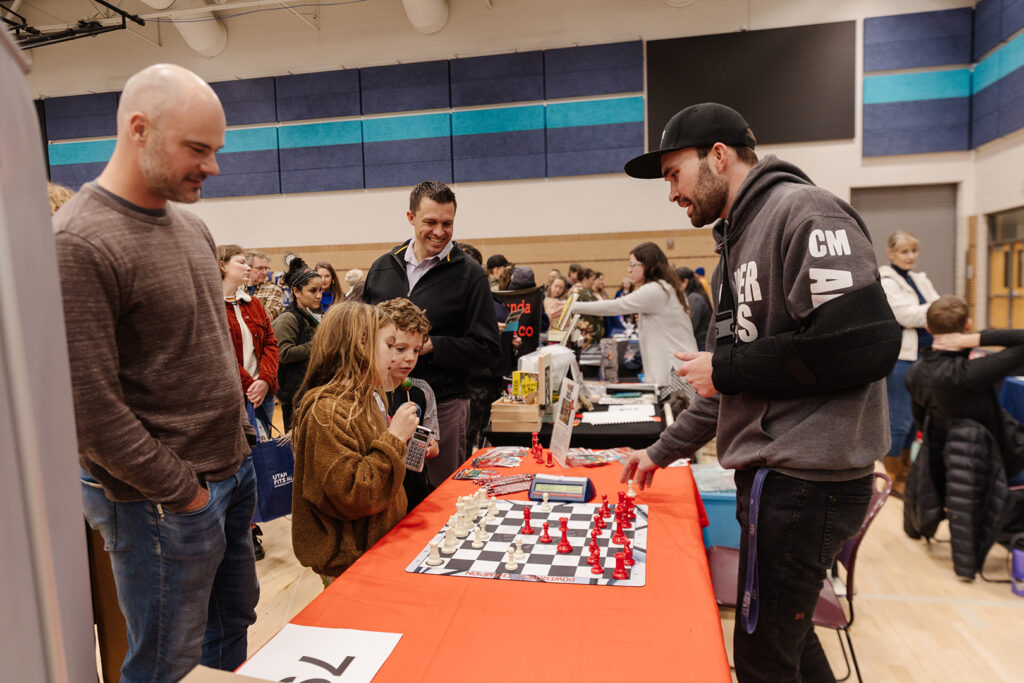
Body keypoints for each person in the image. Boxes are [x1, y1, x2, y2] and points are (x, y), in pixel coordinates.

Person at [618, 102, 900, 682]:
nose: (671, 193)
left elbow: (862, 346)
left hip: (807, 483)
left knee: (761, 660)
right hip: (781, 481)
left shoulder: (805, 211)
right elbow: (731, 386)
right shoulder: (733, 246)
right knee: (787, 643)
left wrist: (728, 368)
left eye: (674, 174)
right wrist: (659, 452)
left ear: (718, 156)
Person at [55, 64, 259, 682]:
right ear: (139, 130)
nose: (213, 167)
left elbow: (208, 350)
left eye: (215, 150)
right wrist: (182, 491)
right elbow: (90, 410)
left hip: (230, 472)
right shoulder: (79, 242)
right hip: (162, 501)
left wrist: (238, 447)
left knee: (230, 627)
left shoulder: (192, 226)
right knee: (165, 662)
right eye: (197, 149)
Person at [362, 180, 500, 488]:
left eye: (447, 223)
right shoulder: (382, 267)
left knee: (441, 492)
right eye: (430, 222)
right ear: (410, 218)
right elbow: (363, 332)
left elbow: (488, 349)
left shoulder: (470, 275)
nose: (439, 232)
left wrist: (431, 346)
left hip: (445, 404)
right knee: (385, 487)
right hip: (380, 403)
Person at [290, 302, 418, 583]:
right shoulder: (327, 412)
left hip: (377, 550)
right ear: (362, 343)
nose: (395, 357)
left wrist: (400, 444)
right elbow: (353, 494)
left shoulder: (366, 399)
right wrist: (394, 438)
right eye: (389, 345)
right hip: (349, 564)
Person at [906, 295, 1024, 486]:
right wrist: (973, 339)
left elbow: (922, 423)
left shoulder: (914, 373)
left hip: (948, 466)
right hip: (1000, 463)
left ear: (928, 328)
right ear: (967, 325)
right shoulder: (972, 372)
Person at [219, 244, 280, 561]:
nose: (248, 267)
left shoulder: (252, 303)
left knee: (259, 461)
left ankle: (257, 520)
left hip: (261, 394)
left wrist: (265, 380)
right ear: (222, 265)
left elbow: (271, 343)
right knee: (238, 466)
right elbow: (219, 353)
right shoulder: (211, 306)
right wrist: (249, 385)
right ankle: (244, 529)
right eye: (241, 262)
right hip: (233, 396)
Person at [571, 242, 697, 387]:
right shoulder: (666, 287)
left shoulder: (654, 289)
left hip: (673, 373)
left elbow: (616, 306)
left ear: (647, 265)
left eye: (632, 264)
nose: (629, 270)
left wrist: (573, 307)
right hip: (679, 369)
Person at [879, 231, 940, 496]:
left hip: (928, 355)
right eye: (904, 251)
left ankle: (906, 472)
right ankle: (892, 477)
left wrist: (934, 311)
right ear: (890, 254)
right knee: (900, 419)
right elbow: (906, 315)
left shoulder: (919, 279)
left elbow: (932, 311)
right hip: (903, 358)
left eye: (914, 251)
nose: (911, 256)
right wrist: (937, 310)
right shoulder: (885, 280)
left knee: (916, 419)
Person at [377, 298, 441, 511]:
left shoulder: (421, 391)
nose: (410, 358)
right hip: (383, 493)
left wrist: (429, 446)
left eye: (416, 350)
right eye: (400, 348)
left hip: (415, 490)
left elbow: (434, 444)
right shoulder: (367, 394)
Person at [273, 258, 322, 431]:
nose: (318, 295)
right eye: (313, 290)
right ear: (296, 291)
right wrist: (319, 345)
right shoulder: (288, 318)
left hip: (313, 391)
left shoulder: (313, 315)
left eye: (320, 290)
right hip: (295, 395)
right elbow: (283, 354)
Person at [677, 266, 712, 351]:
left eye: (677, 282)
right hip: (700, 343)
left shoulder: (694, 298)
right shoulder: (693, 296)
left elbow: (691, 324)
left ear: (685, 281)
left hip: (701, 344)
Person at [245, 249, 285, 321]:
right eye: (260, 268)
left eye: (266, 268)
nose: (264, 272)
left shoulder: (273, 290)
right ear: (248, 268)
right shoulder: (237, 289)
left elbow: (266, 318)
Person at [572, 267, 605, 346]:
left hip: (586, 335)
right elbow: (598, 310)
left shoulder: (580, 291)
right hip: (589, 336)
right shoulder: (584, 293)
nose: (593, 282)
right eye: (592, 279)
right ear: (585, 279)